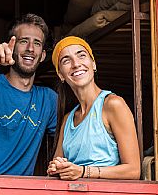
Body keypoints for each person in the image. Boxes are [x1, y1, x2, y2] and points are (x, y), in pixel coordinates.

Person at [47, 36, 140, 180]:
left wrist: (84, 172)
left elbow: (133, 171)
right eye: (66, 60)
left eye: (81, 56)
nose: (76, 64)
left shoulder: (113, 105)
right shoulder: (68, 119)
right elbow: (54, 170)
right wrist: (56, 168)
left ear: (93, 64)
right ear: (61, 75)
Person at [0, 13, 57, 175]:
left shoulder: (48, 99)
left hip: (18, 193)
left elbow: (76, 133)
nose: (30, 48)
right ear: (11, 47)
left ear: (43, 55)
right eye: (24, 41)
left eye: (37, 43)